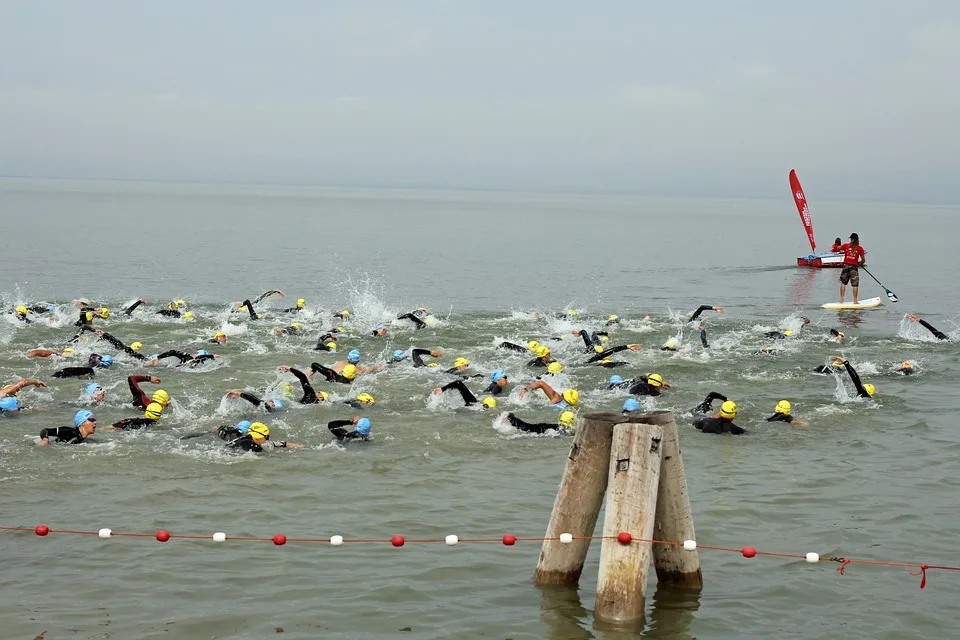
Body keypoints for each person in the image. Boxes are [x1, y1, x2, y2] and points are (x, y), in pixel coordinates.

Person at [225, 421, 302, 451]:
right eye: (267, 436)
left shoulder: (253, 439)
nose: (268, 439)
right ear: (260, 437)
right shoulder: (247, 445)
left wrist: (298, 446)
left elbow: (280, 444)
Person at [838, 233, 866, 305]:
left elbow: (838, 248)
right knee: (855, 284)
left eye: (851, 239)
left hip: (846, 266)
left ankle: (841, 300)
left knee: (843, 283)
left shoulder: (846, 246)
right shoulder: (860, 248)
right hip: (854, 267)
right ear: (857, 240)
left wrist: (838, 246)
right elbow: (863, 260)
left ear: (852, 239)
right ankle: (855, 301)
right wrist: (860, 263)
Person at [505, 411, 576, 434]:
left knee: (527, 428)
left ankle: (510, 417)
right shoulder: (567, 431)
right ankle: (510, 417)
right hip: (543, 429)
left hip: (542, 427)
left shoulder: (558, 427)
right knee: (527, 428)